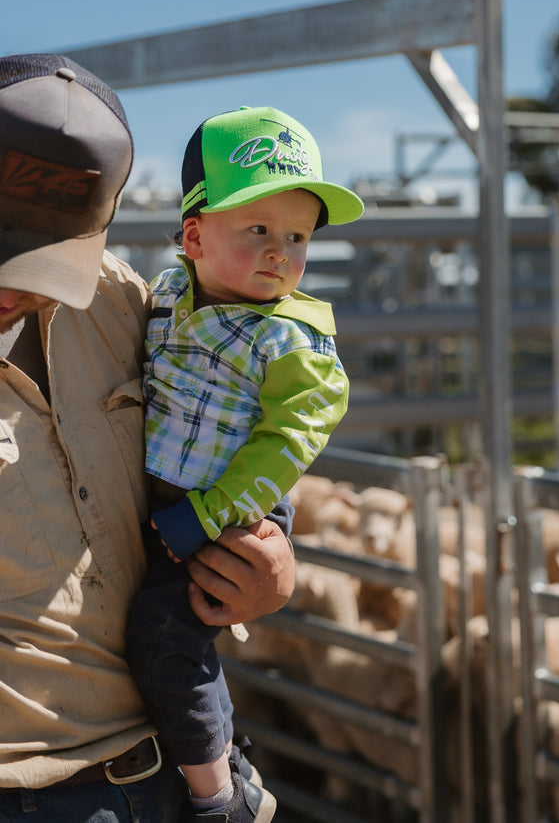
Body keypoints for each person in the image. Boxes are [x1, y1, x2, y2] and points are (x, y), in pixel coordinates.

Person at [0, 55, 296, 823]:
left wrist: (268, 559)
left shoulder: (126, 305)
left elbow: (236, 410)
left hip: (161, 772)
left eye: (37, 256)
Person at [126, 106, 364, 821]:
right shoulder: (164, 295)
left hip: (231, 499)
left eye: (296, 236)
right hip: (173, 495)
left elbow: (290, 441)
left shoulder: (289, 338)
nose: (280, 252)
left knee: (167, 635)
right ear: (193, 235)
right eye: (258, 229)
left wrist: (206, 516)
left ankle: (217, 796)